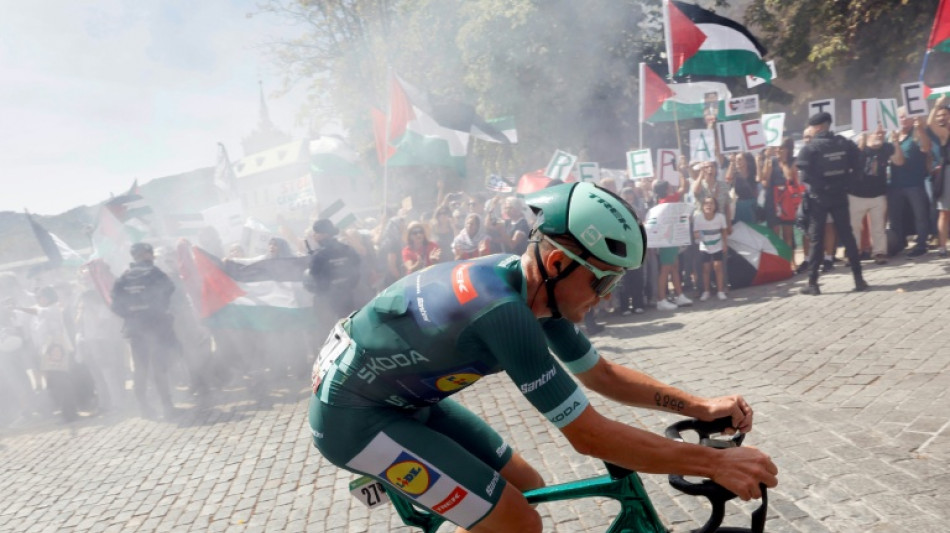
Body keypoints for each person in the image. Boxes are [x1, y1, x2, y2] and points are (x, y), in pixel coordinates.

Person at [308, 182, 777, 533]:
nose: (609, 298)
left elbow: (604, 376)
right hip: (355, 421)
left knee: (527, 484)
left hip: (402, 397)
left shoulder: (534, 291)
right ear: (558, 265)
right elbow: (590, 436)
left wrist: (700, 407)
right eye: (605, 282)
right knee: (520, 523)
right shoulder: (502, 313)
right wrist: (714, 464)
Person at [796, 112, 869, 295]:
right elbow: (860, 161)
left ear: (819, 127)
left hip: (819, 198)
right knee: (848, 236)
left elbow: (804, 175)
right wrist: (850, 182)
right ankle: (858, 279)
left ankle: (812, 283)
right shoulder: (843, 143)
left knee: (816, 239)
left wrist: (820, 186)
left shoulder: (810, 147)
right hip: (840, 195)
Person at [110, 242, 180, 419]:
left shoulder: (124, 277)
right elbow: (170, 289)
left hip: (134, 329)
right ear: (146, 254)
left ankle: (144, 409)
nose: (153, 256)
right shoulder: (155, 273)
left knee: (140, 369)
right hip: (156, 326)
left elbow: (114, 304)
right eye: (150, 253)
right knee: (159, 368)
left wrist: (130, 315)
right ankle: (167, 406)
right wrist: (157, 309)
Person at [852, 126, 904, 265]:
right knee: (854, 227)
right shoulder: (859, 147)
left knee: (879, 227)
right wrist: (860, 145)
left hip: (878, 194)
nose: (881, 135)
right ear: (869, 133)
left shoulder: (887, 147)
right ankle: (854, 254)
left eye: (883, 132)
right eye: (878, 132)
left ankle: (879, 252)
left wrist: (896, 142)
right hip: (857, 194)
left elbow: (899, 161)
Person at [888, 106, 933, 258]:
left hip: (914, 183)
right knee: (895, 217)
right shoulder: (892, 136)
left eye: (906, 116)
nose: (903, 119)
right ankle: (899, 243)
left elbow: (926, 147)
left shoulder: (916, 134)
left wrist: (920, 128)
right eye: (900, 117)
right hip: (895, 185)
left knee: (920, 216)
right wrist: (894, 142)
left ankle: (921, 244)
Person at [304, 218, 362, 338]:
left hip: (327, 302)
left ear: (324, 234)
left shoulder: (319, 255)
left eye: (316, 233)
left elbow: (313, 276)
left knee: (330, 335)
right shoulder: (347, 249)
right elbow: (357, 265)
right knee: (350, 331)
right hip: (347, 297)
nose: (314, 236)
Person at [654, 179, 694, 311]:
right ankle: (661, 300)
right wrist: (680, 171)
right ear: (665, 189)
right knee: (665, 269)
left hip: (672, 238)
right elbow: (684, 187)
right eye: (669, 185)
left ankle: (679, 295)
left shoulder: (663, 201)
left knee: (674, 267)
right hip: (667, 240)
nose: (671, 186)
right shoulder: (668, 200)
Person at [693, 197, 729, 301]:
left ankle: (720, 291)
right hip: (705, 246)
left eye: (711, 203)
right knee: (706, 268)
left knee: (718, 266)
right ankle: (706, 291)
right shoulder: (698, 218)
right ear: (703, 206)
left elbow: (724, 231)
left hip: (718, 244)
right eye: (706, 203)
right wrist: (697, 235)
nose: (709, 205)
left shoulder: (720, 217)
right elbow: (695, 233)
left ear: (715, 206)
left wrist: (725, 244)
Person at [928, 96, 950, 257]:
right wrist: (937, 105)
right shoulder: (945, 134)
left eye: (945, 114)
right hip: (948, 173)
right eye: (940, 115)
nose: (943, 118)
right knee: (944, 212)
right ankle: (942, 246)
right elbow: (930, 124)